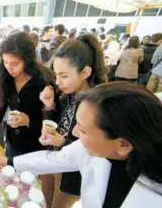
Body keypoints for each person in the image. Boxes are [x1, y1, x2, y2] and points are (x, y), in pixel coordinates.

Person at [0, 82, 162, 208]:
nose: (74, 133)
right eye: (76, 124)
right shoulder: (91, 150)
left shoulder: (151, 197)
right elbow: (54, 160)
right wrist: (8, 161)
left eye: (84, 130)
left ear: (124, 145)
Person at [36, 34, 107, 208]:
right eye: (56, 75)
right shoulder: (66, 94)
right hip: (52, 159)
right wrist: (49, 106)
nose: (57, 81)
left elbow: (94, 151)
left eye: (63, 76)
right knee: (45, 200)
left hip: (72, 174)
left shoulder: (98, 106)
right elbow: (55, 126)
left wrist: (62, 141)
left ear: (85, 72)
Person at [0, 32, 56, 161]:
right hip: (13, 143)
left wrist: (29, 121)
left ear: (27, 60)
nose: (9, 68)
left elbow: (53, 121)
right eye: (5, 61)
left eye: (14, 64)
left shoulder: (42, 81)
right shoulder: (5, 78)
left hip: (35, 145)